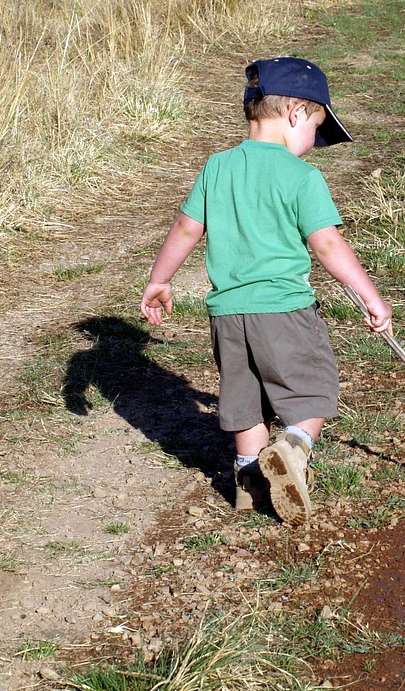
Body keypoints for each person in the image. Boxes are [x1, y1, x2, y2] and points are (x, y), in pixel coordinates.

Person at [139, 57, 392, 526]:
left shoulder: (217, 167)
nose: (314, 145)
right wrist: (369, 295)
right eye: (317, 128)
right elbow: (328, 243)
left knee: (243, 399)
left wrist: (160, 279)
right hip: (284, 310)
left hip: (227, 314)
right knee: (312, 389)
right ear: (296, 112)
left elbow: (186, 227)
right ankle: (293, 449)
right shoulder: (301, 177)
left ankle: (249, 482)